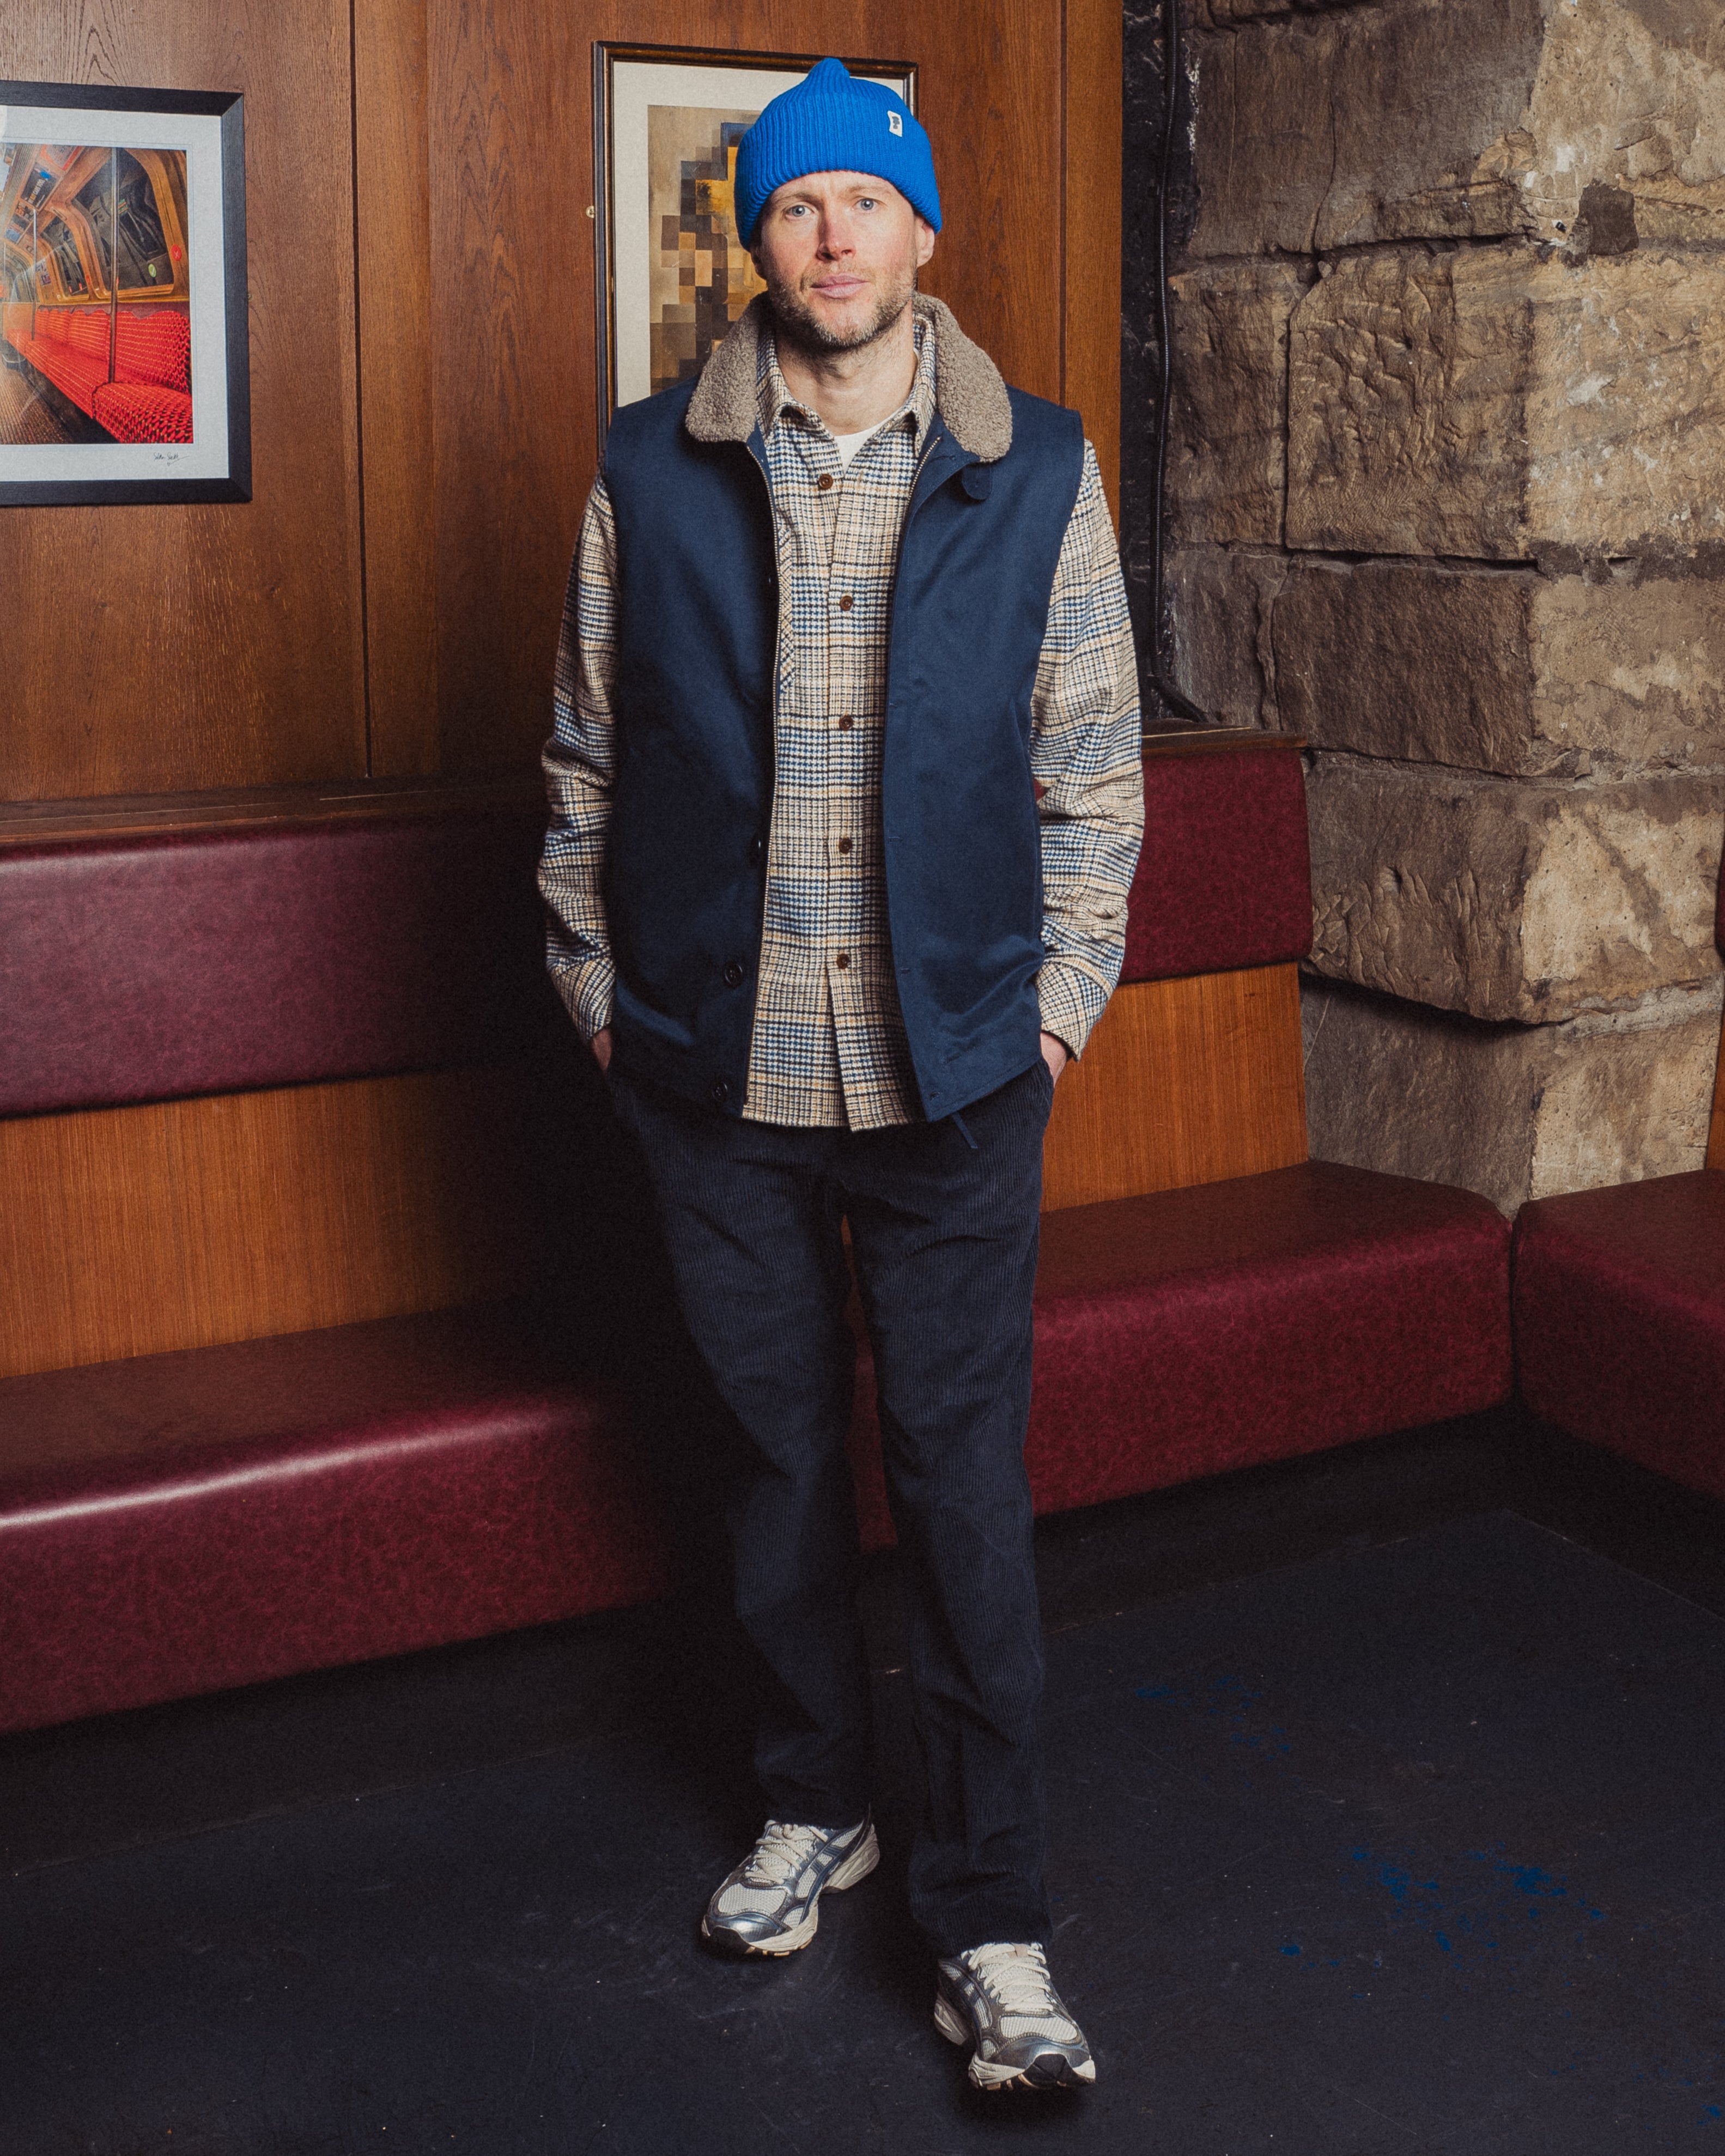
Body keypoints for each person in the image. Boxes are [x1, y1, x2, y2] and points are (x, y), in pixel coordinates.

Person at [539, 57, 1143, 2094]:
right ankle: (821, 1800)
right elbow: (580, 771)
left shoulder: (1040, 471)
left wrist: (1051, 1012)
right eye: (796, 205)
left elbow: (1097, 791)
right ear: (759, 241)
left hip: (959, 1083)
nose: (832, 235)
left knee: (964, 1497)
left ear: (922, 234)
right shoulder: (649, 472)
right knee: (775, 1478)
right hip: (715, 1081)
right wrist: (606, 1003)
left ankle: (991, 1921)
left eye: (865, 204)